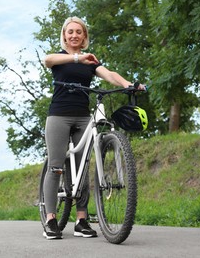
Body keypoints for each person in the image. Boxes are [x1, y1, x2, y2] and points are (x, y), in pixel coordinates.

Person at [42, 16, 145, 240]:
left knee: (83, 166)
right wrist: (78, 58)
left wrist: (129, 84)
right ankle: (50, 219)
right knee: (56, 167)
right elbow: (47, 60)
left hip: (82, 117)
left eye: (79, 31)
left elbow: (109, 75)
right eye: (70, 31)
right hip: (59, 115)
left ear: (84, 36)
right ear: (65, 35)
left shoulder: (91, 62)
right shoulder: (61, 57)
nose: (74, 35)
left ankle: (81, 220)